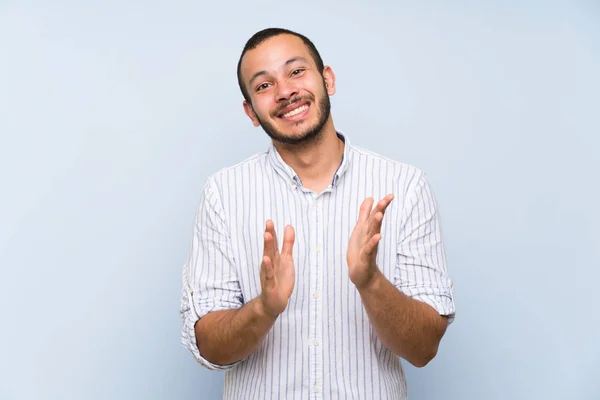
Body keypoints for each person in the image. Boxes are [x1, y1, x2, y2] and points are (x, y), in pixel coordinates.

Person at [180, 27, 456, 399]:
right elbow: (210, 347)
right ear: (251, 112)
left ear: (327, 79)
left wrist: (370, 281)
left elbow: (423, 349)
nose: (285, 92)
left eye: (296, 72)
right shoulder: (222, 194)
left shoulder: (405, 186)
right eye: (263, 86)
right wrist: (264, 308)